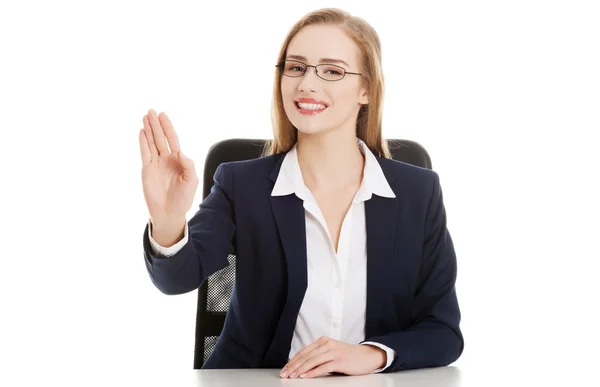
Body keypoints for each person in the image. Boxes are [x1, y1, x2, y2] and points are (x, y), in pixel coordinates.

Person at [138, 7, 463, 379]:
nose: (307, 83)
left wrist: (369, 355)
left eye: (332, 70)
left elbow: (443, 332)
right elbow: (176, 279)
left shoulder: (417, 193)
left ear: (366, 90)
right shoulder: (241, 185)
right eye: (296, 67)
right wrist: (167, 221)